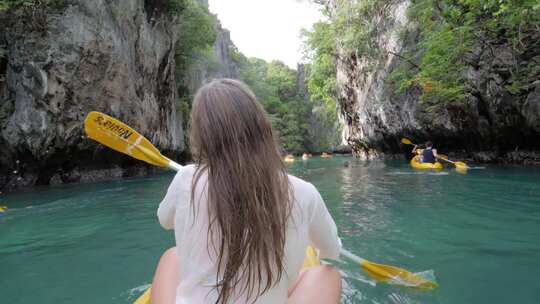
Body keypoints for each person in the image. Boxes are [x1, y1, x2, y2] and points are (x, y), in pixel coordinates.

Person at [151, 79, 342, 304]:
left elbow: (165, 220)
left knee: (172, 256)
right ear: (261, 128)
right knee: (327, 274)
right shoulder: (305, 193)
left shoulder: (187, 178)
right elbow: (331, 251)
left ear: (202, 136)